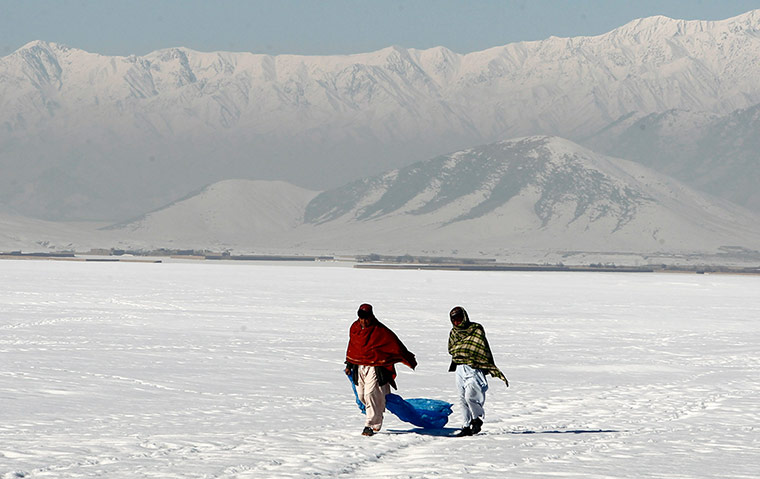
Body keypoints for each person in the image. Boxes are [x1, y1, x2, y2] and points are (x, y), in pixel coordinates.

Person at [345, 303, 417, 436]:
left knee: (370, 393)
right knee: (362, 395)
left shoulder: (379, 331)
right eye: (361, 318)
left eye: (366, 318)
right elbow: (353, 347)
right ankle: (376, 410)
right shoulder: (355, 329)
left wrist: (407, 358)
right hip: (360, 366)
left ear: (371, 316)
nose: (364, 321)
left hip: (375, 366)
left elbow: (394, 343)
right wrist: (349, 365)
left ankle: (371, 425)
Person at [447, 306, 508, 437]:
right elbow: (451, 349)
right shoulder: (453, 332)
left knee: (471, 396)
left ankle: (477, 418)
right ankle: (466, 425)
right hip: (459, 367)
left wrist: (463, 350)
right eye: (454, 320)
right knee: (462, 398)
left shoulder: (475, 329)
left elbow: (479, 347)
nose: (457, 322)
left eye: (459, 319)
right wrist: (460, 351)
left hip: (473, 367)